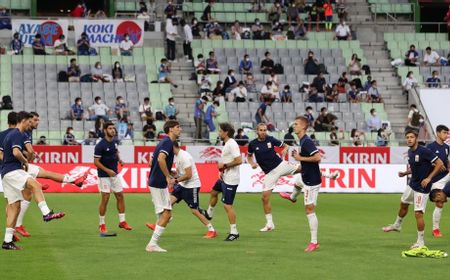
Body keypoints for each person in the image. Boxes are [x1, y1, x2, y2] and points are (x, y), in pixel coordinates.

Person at [1, 112, 65, 250]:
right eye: (29, 122)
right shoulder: (17, 134)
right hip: (13, 170)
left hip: (5, 174)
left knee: (14, 207)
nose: (30, 124)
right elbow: (16, 152)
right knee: (35, 185)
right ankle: (46, 213)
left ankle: (7, 241)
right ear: (23, 121)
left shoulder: (8, 135)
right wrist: (25, 162)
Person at [383, 130, 445, 249]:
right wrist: (405, 173)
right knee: (403, 204)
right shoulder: (410, 152)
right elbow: (416, 167)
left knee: (418, 214)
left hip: (422, 188)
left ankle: (420, 243)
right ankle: (397, 225)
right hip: (412, 185)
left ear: (416, 138)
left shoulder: (424, 151)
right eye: (407, 137)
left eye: (411, 137)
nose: (409, 139)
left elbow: (439, 163)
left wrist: (429, 178)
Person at [146, 142, 217, 238]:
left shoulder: (184, 157)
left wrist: (175, 181)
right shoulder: (177, 156)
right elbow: (180, 174)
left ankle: (211, 230)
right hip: (182, 185)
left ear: (173, 147)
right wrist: (170, 173)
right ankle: (158, 224)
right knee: (167, 203)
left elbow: (188, 175)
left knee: (194, 210)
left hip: (192, 186)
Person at [279, 116, 325, 252]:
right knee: (298, 182)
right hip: (306, 176)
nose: (294, 126)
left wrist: (300, 158)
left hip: (311, 181)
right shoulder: (302, 141)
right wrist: (299, 162)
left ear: (303, 127)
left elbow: (317, 157)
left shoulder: (306, 142)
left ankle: (314, 242)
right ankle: (292, 197)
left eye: (296, 124)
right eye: (294, 123)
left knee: (309, 210)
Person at [247, 123, 301, 232]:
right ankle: (270, 224)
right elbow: (249, 156)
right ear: (257, 131)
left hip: (281, 166)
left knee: (303, 168)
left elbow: (286, 145)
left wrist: (285, 149)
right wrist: (252, 163)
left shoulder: (270, 139)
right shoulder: (252, 144)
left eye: (265, 130)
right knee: (264, 198)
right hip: (270, 174)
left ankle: (324, 174)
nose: (263, 132)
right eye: (261, 130)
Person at [145, 120, 182, 252]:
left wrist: (169, 172)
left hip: (156, 181)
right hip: (158, 183)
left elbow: (151, 162)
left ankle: (153, 240)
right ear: (170, 129)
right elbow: (160, 159)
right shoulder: (167, 143)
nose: (180, 129)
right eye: (178, 127)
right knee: (167, 214)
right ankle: (152, 244)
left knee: (167, 216)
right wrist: (167, 176)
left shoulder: (164, 142)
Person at [205, 123, 243, 241]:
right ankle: (209, 213)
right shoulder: (227, 143)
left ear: (226, 132)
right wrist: (222, 170)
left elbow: (239, 160)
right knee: (214, 192)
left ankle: (234, 232)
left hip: (231, 180)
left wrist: (224, 165)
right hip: (225, 177)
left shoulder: (232, 144)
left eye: (220, 131)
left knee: (227, 206)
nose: (219, 133)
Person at [94, 122, 131, 234]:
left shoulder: (114, 142)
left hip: (114, 174)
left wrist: (120, 160)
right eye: (110, 128)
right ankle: (102, 224)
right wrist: (107, 170)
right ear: (105, 130)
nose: (113, 130)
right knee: (105, 198)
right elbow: (96, 162)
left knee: (120, 196)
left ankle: (122, 221)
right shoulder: (100, 145)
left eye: (114, 128)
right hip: (104, 176)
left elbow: (116, 151)